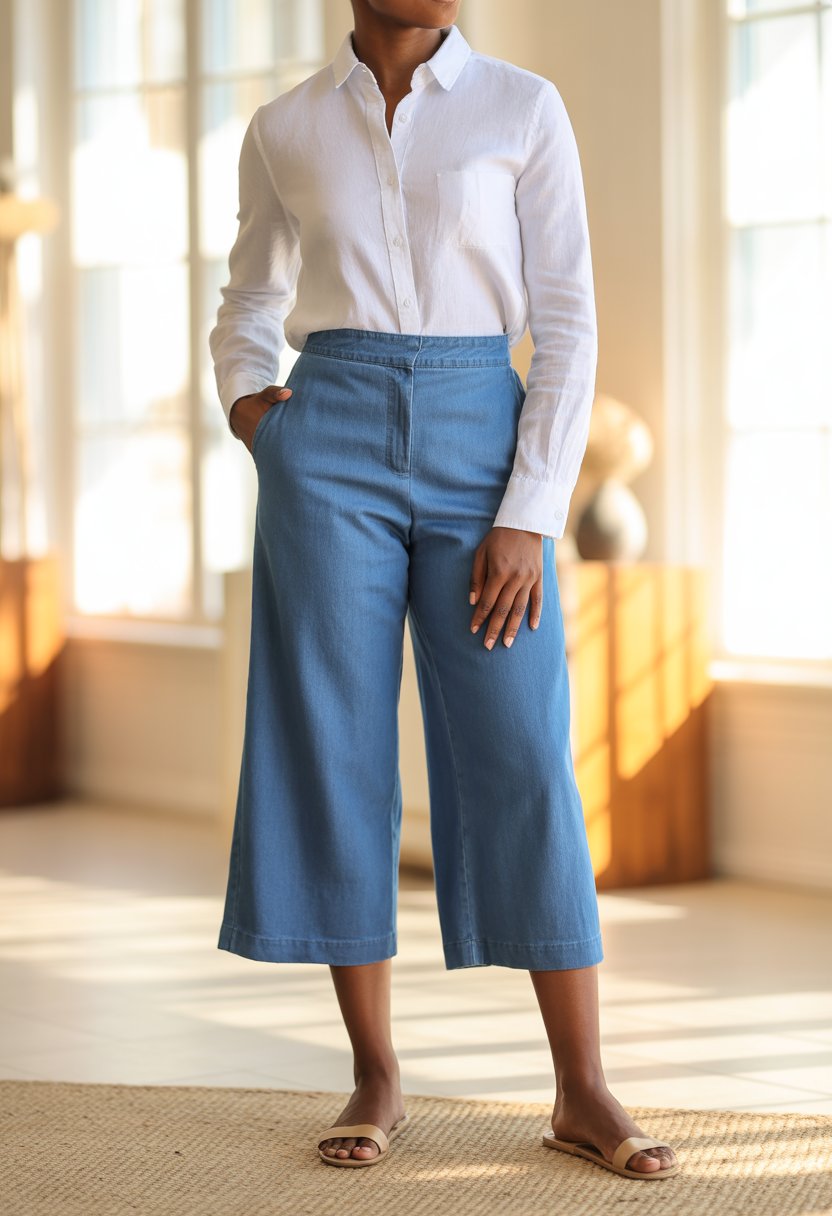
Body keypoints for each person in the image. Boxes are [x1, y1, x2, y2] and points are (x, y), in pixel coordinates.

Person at [208, 0, 679, 1182]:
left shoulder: (523, 108)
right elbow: (249, 297)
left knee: (521, 748)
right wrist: (257, 414)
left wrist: (530, 512)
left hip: (483, 440)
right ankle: (375, 1070)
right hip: (329, 439)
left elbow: (566, 318)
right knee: (332, 745)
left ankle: (582, 1086)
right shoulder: (285, 126)